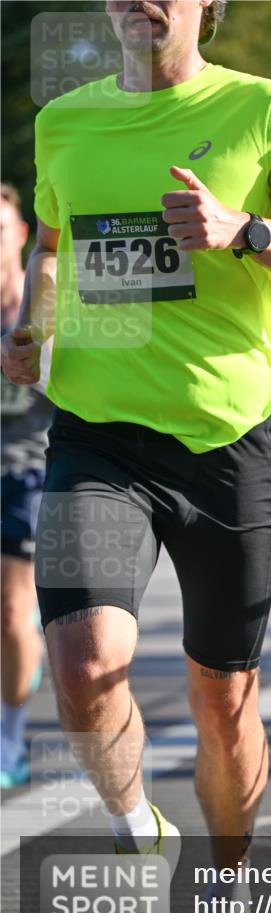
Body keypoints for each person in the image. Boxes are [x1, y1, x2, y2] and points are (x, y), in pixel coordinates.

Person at [0, 1, 271, 913]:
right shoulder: (64, 122)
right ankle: (139, 833)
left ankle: (227, 910)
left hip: (229, 445)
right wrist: (35, 329)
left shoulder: (265, 110)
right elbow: (51, 244)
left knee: (222, 700)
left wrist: (245, 231)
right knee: (83, 668)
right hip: (97, 434)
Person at [0, 183, 52, 788]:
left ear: (21, 235)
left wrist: (31, 359)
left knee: (13, 607)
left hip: (28, 469)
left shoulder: (44, 301)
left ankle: (10, 739)